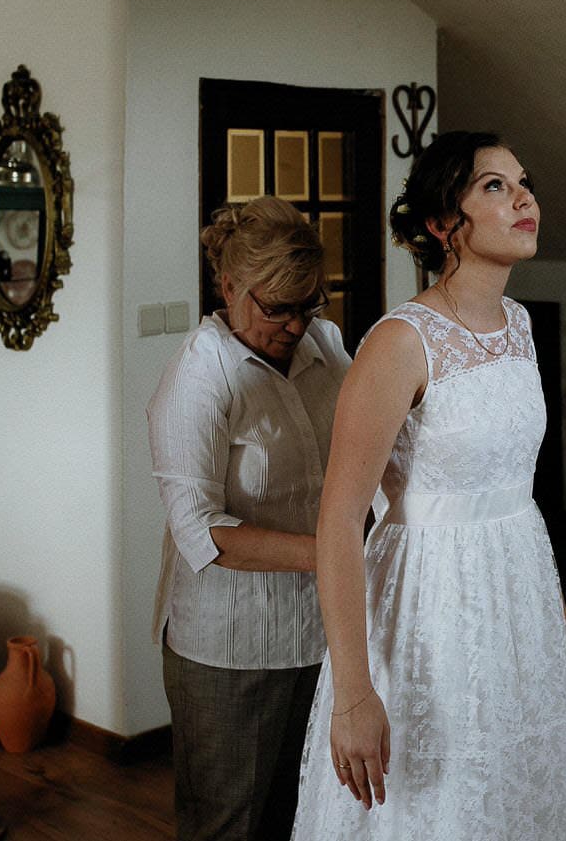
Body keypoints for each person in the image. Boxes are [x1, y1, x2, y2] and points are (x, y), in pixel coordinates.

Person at [291, 131, 566, 838]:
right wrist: (353, 691)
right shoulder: (400, 342)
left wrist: (555, 612)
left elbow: (511, 489)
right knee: (437, 803)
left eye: (523, 182)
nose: (524, 198)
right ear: (441, 223)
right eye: (494, 186)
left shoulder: (518, 325)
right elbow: (338, 521)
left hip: (517, 602)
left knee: (513, 792)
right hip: (429, 610)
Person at [147, 196, 349, 841]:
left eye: (309, 302)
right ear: (229, 287)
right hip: (231, 646)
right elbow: (199, 531)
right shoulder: (198, 379)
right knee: (229, 825)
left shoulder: (328, 346)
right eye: (277, 307)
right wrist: (334, 555)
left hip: (321, 631)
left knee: (309, 814)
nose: (295, 325)